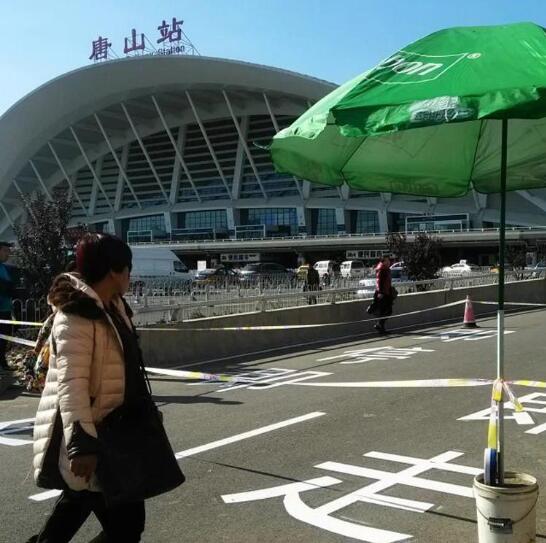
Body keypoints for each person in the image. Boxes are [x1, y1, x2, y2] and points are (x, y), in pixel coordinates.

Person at [28, 234, 154, 542]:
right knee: (126, 528)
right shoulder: (76, 316)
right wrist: (81, 444)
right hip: (95, 436)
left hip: (117, 431)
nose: (130, 276)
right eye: (128, 268)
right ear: (114, 270)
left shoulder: (113, 307)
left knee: (82, 508)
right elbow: (72, 386)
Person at [0, 241, 15, 372]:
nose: (8, 254)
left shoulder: (4, 268)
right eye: (5, 250)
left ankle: (2, 361)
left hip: (6, 308)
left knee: (4, 337)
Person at [373, 255, 394, 334]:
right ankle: (380, 325)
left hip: (386, 292)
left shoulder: (385, 269)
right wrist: (380, 292)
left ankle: (381, 326)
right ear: (383, 261)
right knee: (387, 310)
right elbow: (379, 282)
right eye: (386, 261)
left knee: (385, 310)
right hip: (382, 293)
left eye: (389, 260)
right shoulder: (382, 269)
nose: (388, 262)